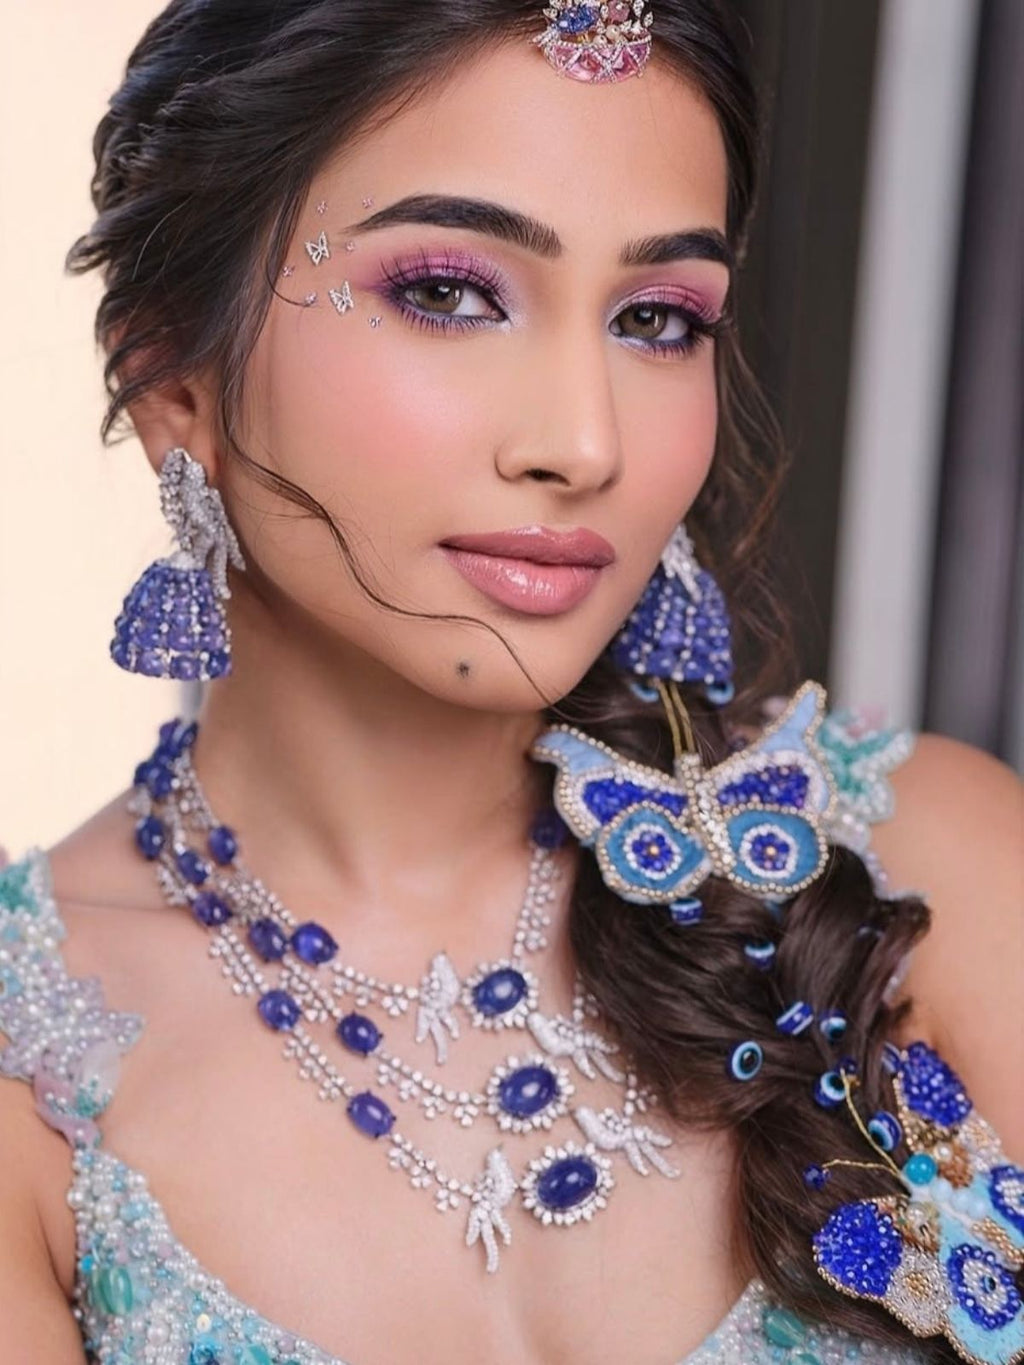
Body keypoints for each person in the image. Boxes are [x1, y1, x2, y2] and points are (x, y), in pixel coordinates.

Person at [1, 2, 1021, 1363]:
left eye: (657, 318)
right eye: (448, 293)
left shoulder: (925, 876)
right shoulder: (30, 1072)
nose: (583, 441)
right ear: (169, 371)